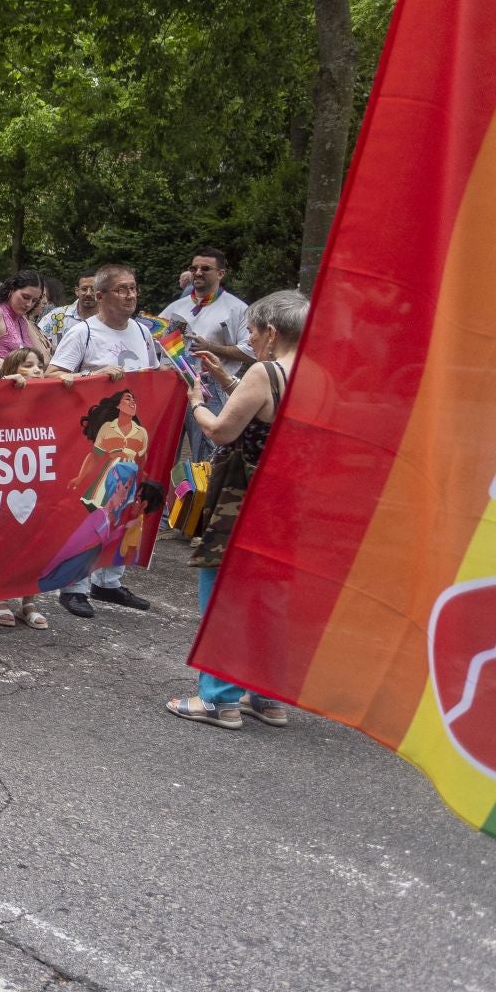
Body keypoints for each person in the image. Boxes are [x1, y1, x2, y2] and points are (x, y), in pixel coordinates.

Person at [166, 290, 305, 729]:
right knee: (272, 601)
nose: (250, 339)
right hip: (293, 503)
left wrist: (196, 403)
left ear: (272, 332)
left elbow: (223, 432)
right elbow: (270, 414)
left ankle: (218, 699)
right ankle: (268, 697)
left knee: (224, 596)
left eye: (253, 331)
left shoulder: (265, 372)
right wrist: (227, 383)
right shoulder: (322, 375)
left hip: (245, 501)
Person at [47, 263, 161, 617]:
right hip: (94, 439)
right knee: (90, 512)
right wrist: (92, 375)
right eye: (122, 289)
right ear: (99, 296)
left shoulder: (143, 333)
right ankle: (75, 586)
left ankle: (109, 582)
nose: (130, 295)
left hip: (133, 438)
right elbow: (53, 376)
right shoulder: (83, 333)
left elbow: (154, 377)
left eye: (133, 288)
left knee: (128, 507)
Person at [0, 347, 69, 630]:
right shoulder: (1, 395)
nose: (37, 370)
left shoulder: (48, 398)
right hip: (4, 482)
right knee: (4, 542)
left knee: (34, 541)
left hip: (37, 481)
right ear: (12, 369)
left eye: (40, 366)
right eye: (29, 365)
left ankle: (28, 602)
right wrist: (8, 386)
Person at [161, 248, 251, 461]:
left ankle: (203, 495)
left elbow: (251, 351)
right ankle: (165, 495)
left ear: (220, 273)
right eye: (194, 268)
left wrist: (211, 347)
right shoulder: (176, 307)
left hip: (212, 389)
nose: (198, 273)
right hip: (174, 387)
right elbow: (157, 344)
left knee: (207, 456)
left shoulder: (236, 308)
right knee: (164, 453)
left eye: (205, 268)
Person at [39, 273, 99, 345]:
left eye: (93, 289)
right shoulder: (55, 316)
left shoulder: (110, 319)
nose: (88, 293)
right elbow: (36, 339)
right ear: (77, 291)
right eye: (84, 289)